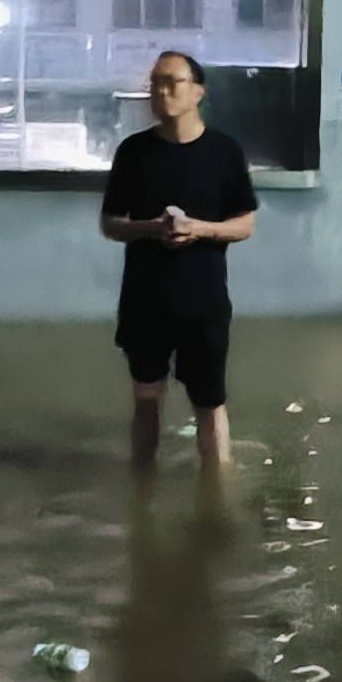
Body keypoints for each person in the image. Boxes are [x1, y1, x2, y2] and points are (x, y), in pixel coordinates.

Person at [98, 51, 258, 467]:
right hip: (145, 298)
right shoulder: (134, 152)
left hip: (202, 300)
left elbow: (244, 225)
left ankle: (217, 497)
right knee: (146, 400)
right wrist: (153, 227)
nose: (162, 91)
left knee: (210, 404)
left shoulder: (224, 151)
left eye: (172, 82)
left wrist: (198, 229)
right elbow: (111, 224)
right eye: (155, 83)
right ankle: (142, 490)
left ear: (198, 91)